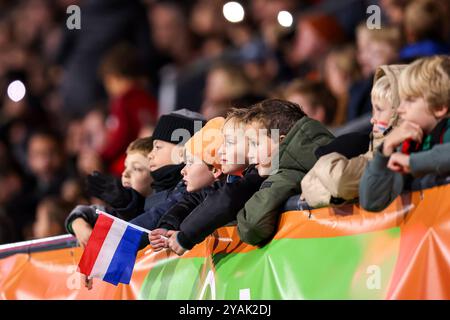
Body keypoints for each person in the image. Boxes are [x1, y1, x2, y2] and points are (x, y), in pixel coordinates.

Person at [300, 64, 406, 208]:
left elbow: (340, 180)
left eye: (379, 110)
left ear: (400, 112)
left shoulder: (396, 151)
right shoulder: (371, 150)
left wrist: (324, 162)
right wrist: (335, 194)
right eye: (373, 110)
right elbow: (306, 184)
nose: (372, 119)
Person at [236, 100, 335, 246]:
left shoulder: (287, 176)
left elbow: (251, 227)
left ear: (281, 141)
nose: (249, 154)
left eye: (255, 144)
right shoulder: (330, 153)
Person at [359, 55, 450, 212]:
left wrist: (411, 162)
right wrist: (386, 150)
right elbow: (371, 201)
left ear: (439, 107)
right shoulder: (411, 143)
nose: (400, 109)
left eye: (410, 100)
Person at [65, 136, 154, 248]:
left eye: (136, 168)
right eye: (126, 167)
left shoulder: (164, 207)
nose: (125, 174)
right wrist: (77, 222)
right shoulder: (122, 207)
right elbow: (90, 212)